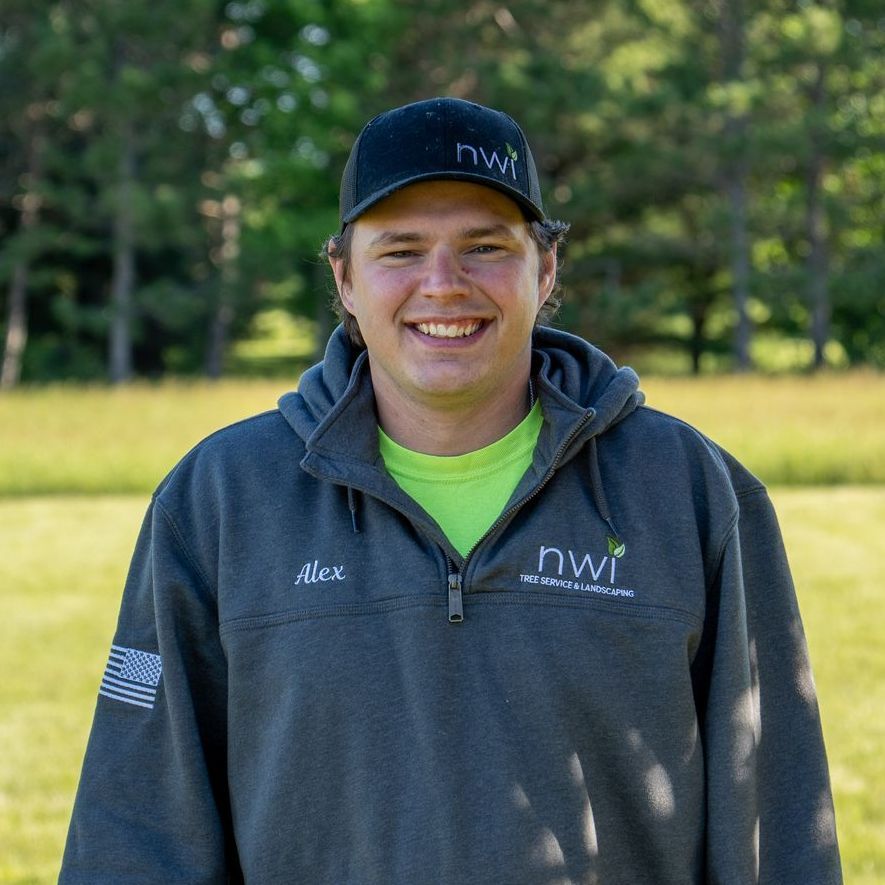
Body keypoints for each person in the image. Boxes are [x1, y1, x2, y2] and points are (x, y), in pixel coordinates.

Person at [60, 97, 842, 884]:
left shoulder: (692, 492)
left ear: (544, 268)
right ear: (345, 278)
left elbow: (771, 818)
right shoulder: (220, 500)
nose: (443, 284)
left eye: (483, 246)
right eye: (400, 250)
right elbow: (137, 827)